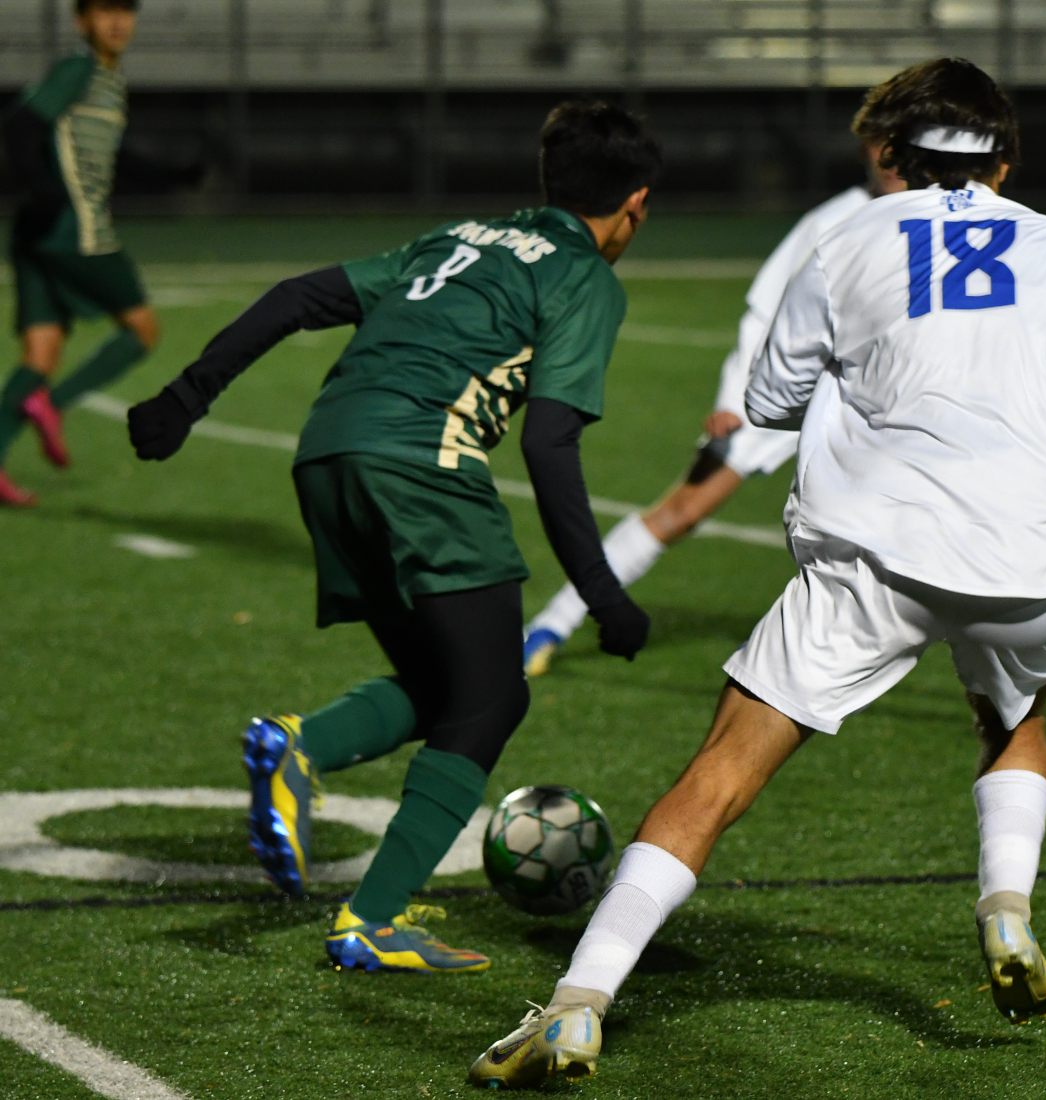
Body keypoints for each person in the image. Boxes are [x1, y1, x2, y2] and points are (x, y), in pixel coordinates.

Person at [469, 57, 1046, 1086]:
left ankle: (581, 998)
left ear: (893, 162)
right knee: (1011, 721)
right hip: (1027, 560)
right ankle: (1003, 911)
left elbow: (768, 400)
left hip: (872, 556)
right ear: (1004, 163)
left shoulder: (845, 236)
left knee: (718, 772)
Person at [126, 101, 659, 974]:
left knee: (441, 680)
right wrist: (605, 598)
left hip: (327, 451)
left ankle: (304, 747)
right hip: (423, 469)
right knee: (492, 701)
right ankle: (369, 920)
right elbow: (549, 442)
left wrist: (187, 398)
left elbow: (298, 297)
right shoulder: (584, 279)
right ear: (634, 205)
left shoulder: (461, 236)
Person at [519, 121, 906, 676]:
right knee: (684, 508)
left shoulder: (948, 219)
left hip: (891, 397)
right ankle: (552, 623)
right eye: (877, 144)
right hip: (798, 387)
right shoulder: (832, 219)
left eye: (899, 143)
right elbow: (766, 308)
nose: (886, 157)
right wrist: (734, 399)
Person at [0, 0, 171, 507]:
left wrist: (173, 175)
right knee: (142, 331)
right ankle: (50, 404)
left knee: (41, 353)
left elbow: (108, 153)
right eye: (104, 11)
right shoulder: (79, 68)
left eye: (125, 11)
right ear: (82, 21)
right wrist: (43, 190)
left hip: (36, 234)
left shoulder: (108, 78)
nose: (117, 21)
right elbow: (19, 126)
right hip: (75, 232)